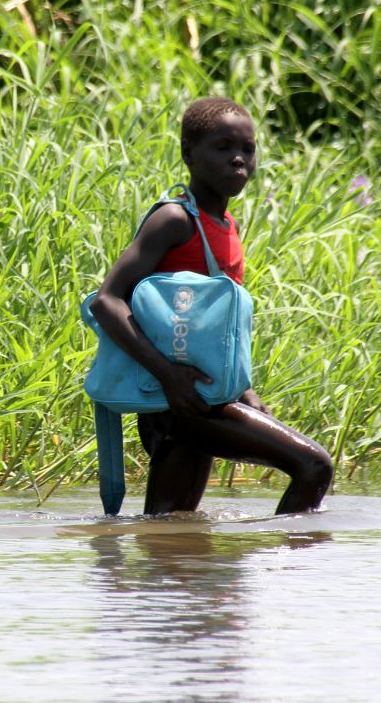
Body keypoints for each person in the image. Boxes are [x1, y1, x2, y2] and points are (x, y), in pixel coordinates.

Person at [88, 97, 333, 516]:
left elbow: (214, 330)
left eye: (247, 150)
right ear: (188, 153)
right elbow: (106, 301)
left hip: (202, 399)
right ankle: (288, 576)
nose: (238, 160)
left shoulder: (225, 227)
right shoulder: (174, 219)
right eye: (222, 148)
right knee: (313, 466)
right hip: (177, 406)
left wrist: (245, 390)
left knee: (171, 529)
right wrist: (169, 377)